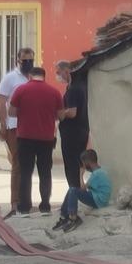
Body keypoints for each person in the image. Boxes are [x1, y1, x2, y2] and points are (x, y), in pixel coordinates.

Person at [8, 65, 64, 215]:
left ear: (30, 76)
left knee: (26, 172)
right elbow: (61, 115)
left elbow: (11, 113)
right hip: (46, 138)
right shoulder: (54, 92)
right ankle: (45, 205)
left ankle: (24, 206)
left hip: (25, 137)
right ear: (44, 76)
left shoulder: (21, 90)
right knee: (45, 172)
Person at [0, 47, 35, 217]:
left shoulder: (35, 77)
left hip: (33, 126)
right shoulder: (10, 79)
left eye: (31, 60)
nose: (28, 64)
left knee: (29, 164)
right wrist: (3, 126)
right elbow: (1, 103)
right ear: (17, 61)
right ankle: (14, 203)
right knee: (18, 164)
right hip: (15, 126)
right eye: (25, 60)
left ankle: (26, 201)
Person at [53, 148, 112, 233]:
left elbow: (83, 188)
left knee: (73, 190)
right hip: (100, 199)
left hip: (99, 201)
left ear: (88, 162)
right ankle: (64, 216)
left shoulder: (96, 174)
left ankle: (73, 218)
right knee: (72, 189)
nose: (84, 166)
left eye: (84, 164)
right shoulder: (100, 171)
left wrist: (81, 174)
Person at [56, 60, 90, 195]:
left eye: (59, 72)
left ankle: (74, 194)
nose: (58, 76)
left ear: (67, 71)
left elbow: (72, 112)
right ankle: (76, 192)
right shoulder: (75, 86)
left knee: (71, 165)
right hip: (79, 130)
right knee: (76, 163)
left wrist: (60, 114)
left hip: (73, 132)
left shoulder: (74, 89)